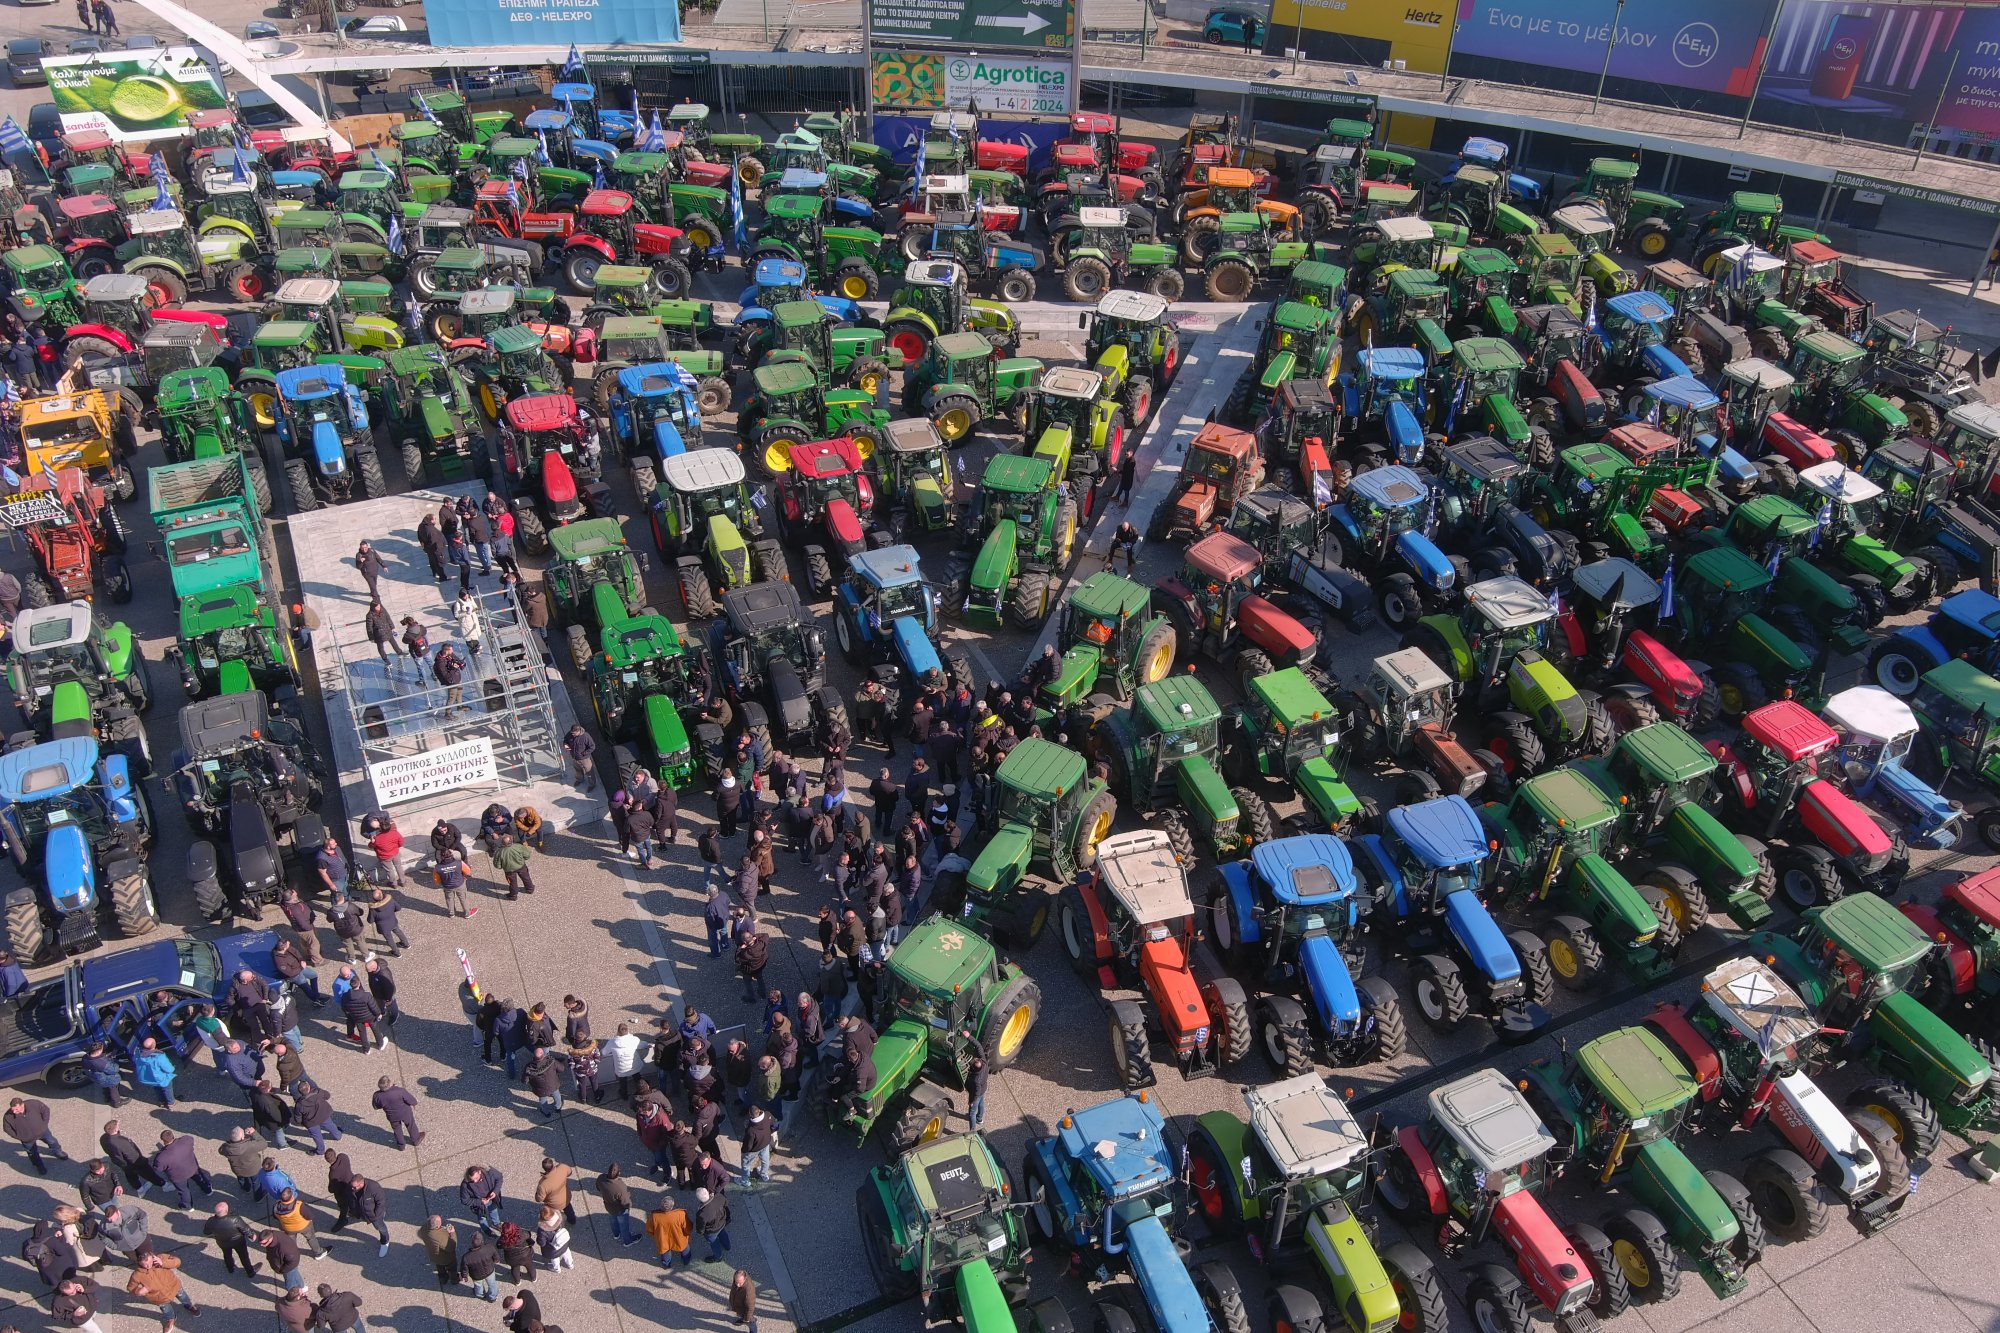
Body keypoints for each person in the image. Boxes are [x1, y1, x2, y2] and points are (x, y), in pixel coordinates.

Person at [125, 1252, 198, 1330]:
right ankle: (171, 1319)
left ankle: (189, 1305)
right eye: (145, 1264)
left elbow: (178, 1262)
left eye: (150, 1262)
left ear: (152, 1257)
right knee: (166, 1309)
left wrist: (163, 1263)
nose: (149, 1265)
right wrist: (138, 1291)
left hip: (174, 1286)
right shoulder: (137, 1274)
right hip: (158, 1297)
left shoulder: (161, 1257)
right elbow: (130, 1288)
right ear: (139, 1263)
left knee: (183, 1297)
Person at [148, 1130, 212, 1209]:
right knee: (200, 1178)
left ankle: (187, 1206)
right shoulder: (186, 1141)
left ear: (163, 1141)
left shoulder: (161, 1157)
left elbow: (158, 1169)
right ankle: (208, 1190)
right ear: (173, 1136)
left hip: (178, 1177)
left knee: (184, 1191)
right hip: (192, 1167)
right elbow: (190, 1138)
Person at [5, 1095, 66, 1174]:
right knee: (32, 1153)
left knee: (52, 1141)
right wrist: (20, 1136)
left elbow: (45, 1110)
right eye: (12, 1109)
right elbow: (7, 1129)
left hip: (42, 1131)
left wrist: (44, 1124)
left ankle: (58, 1152)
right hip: (27, 1139)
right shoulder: (8, 1116)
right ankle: (39, 1166)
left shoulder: (33, 1104)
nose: (14, 1112)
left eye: (16, 1109)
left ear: (22, 1105)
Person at [203, 1200, 258, 1279]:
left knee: (227, 1255)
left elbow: (206, 1232)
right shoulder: (235, 1219)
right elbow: (246, 1229)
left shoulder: (210, 1221)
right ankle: (250, 1271)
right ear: (226, 1211)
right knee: (244, 1256)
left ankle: (230, 1268)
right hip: (238, 1242)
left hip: (223, 1243)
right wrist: (252, 1235)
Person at [371, 1075, 424, 1148]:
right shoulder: (400, 1091)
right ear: (389, 1084)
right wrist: (414, 1103)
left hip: (392, 1116)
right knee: (410, 1125)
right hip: (405, 1113)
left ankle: (401, 1145)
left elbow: (376, 1106)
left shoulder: (377, 1095)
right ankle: (416, 1139)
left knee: (397, 1129)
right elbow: (410, 1099)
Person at [596, 1163, 638, 1246]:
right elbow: (626, 1202)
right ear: (619, 1173)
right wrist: (628, 1207)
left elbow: (597, 1187)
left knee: (613, 1220)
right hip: (620, 1209)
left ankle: (616, 1234)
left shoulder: (601, 1178)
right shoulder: (620, 1186)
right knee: (624, 1226)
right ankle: (627, 1241)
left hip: (608, 1206)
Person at [351, 1173, 391, 1254]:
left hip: (374, 1216)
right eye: (352, 1186)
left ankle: (385, 1242)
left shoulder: (373, 1187)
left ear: (361, 1183)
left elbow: (381, 1202)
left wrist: (376, 1216)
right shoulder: (352, 1187)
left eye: (355, 1187)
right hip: (362, 1213)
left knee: (381, 1228)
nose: (352, 1188)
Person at [132, 1038, 178, 1107]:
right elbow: (169, 1069)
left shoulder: (137, 1054)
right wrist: (173, 1067)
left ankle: (161, 1102)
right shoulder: (158, 1056)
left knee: (156, 1088)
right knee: (167, 1089)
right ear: (154, 1045)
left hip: (148, 1078)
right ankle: (171, 1103)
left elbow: (134, 1061)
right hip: (160, 1079)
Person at [646, 1198, 691, 1267]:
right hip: (678, 1238)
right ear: (672, 1206)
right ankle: (686, 1261)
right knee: (684, 1247)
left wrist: (654, 1235)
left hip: (663, 1240)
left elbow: (650, 1229)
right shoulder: (681, 1214)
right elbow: (687, 1227)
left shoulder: (654, 1216)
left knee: (665, 1252)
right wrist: (687, 1233)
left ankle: (666, 1264)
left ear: (661, 1206)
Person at [461, 1166, 505, 1234]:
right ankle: (485, 1230)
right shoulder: (465, 1185)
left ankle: (496, 1224)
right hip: (479, 1205)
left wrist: (495, 1191)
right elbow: (465, 1200)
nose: (474, 1181)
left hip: (491, 1198)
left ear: (479, 1172)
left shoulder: (490, 1172)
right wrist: (480, 1201)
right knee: (482, 1217)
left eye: (476, 1178)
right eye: (472, 1179)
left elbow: (499, 1178)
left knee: (493, 1210)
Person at [419, 1215, 459, 1289]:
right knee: (452, 1269)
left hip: (434, 1256)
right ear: (437, 1227)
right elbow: (452, 1246)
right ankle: (454, 1280)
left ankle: (443, 1279)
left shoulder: (424, 1228)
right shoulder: (441, 1237)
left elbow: (420, 1234)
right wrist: (452, 1233)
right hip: (447, 1258)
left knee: (440, 1268)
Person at [460, 1229, 501, 1301]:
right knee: (492, 1284)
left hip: (476, 1276)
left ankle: (480, 1295)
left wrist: (465, 1276)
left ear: (472, 1243)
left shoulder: (466, 1257)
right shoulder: (489, 1247)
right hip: (489, 1271)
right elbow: (496, 1257)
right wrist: (496, 1261)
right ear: (482, 1241)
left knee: (478, 1286)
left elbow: (464, 1269)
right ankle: (492, 1297)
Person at [434, 848, 475, 918]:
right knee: (463, 898)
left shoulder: (437, 867)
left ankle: (451, 913)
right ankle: (467, 913)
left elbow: (436, 880)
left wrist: (441, 883)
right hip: (459, 884)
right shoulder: (459, 863)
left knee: (449, 899)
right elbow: (468, 871)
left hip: (447, 886)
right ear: (451, 854)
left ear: (441, 856)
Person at [693, 1187, 731, 1260]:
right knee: (723, 1234)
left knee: (714, 1243)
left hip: (712, 1231)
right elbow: (726, 1203)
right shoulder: (719, 1197)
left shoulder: (702, 1214)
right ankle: (727, 1246)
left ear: (699, 1199)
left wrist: (700, 1232)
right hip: (722, 1223)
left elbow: (701, 1227)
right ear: (707, 1192)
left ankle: (718, 1257)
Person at [524, 1047, 563, 1117]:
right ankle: (558, 1108)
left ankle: (546, 1113)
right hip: (553, 1085)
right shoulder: (551, 1062)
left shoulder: (529, 1068)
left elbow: (525, 1080)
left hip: (540, 1089)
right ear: (543, 1055)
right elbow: (561, 1069)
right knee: (556, 1095)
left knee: (542, 1100)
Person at [494, 834, 536, 898]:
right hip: (521, 866)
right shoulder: (518, 846)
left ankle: (513, 895)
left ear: (502, 842)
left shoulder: (499, 852)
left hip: (509, 870)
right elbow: (527, 855)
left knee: (512, 883)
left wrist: (503, 866)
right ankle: (530, 889)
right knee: (526, 878)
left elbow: (497, 865)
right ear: (512, 841)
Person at [563, 724, 597, 790]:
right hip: (574, 758)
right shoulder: (570, 734)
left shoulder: (586, 736)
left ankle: (592, 784)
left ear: (579, 731)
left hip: (585, 759)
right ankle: (579, 779)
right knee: (578, 770)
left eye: (574, 733)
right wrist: (565, 744)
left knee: (589, 771)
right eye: (572, 733)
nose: (572, 735)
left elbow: (592, 747)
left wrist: (584, 753)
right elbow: (565, 740)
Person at [419, 514, 449, 582]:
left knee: (432, 561)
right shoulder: (431, 531)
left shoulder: (421, 525)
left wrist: (424, 546)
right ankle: (442, 577)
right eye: (434, 519)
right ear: (431, 520)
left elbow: (419, 536)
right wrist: (440, 551)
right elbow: (434, 542)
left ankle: (434, 572)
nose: (436, 520)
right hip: (435, 550)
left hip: (428, 549)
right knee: (439, 563)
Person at [364, 600, 395, 665]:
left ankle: (399, 652)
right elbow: (369, 627)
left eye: (379, 606)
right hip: (378, 634)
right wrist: (371, 638)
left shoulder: (382, 610)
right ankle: (386, 660)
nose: (379, 607)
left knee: (393, 642)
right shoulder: (369, 615)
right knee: (380, 648)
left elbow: (388, 618)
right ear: (373, 607)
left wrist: (392, 627)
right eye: (377, 607)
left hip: (387, 630)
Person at [965, 1054, 989, 1131]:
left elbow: (977, 1093)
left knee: (972, 1113)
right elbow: (979, 1047)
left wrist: (972, 1101)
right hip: (984, 1089)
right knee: (981, 1103)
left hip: (977, 1094)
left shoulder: (976, 1080)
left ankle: (972, 1131)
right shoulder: (984, 1063)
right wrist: (972, 1040)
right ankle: (979, 1119)